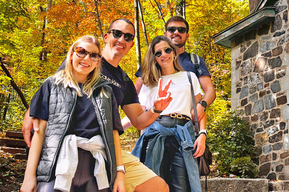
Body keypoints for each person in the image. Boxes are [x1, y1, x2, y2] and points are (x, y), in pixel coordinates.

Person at [22, 19, 170, 192]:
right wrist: (30, 113)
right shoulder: (81, 61)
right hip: (64, 144)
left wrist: (156, 108)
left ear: (131, 44)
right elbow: (53, 97)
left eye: (128, 37)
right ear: (106, 36)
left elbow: (137, 120)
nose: (121, 39)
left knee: (158, 187)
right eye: (117, 33)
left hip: (104, 146)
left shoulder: (123, 82)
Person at [21, 35, 125, 192]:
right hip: (57, 167)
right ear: (71, 54)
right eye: (81, 51)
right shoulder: (52, 85)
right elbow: (39, 132)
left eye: (94, 55)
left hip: (96, 170)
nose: (86, 58)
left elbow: (113, 133)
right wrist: (29, 176)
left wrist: (119, 173)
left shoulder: (106, 91)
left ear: (98, 61)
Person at [131, 36, 206, 192]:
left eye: (167, 50)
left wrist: (203, 134)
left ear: (174, 52)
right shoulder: (149, 81)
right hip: (156, 132)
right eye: (158, 53)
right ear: (154, 58)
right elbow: (138, 115)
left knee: (182, 186)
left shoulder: (188, 76)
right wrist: (116, 128)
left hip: (183, 134)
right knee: (156, 184)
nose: (163, 55)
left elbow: (198, 109)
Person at [134, 16, 215, 121]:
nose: (176, 32)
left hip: (185, 125)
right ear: (165, 34)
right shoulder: (151, 64)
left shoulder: (195, 61)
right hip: (154, 125)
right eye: (172, 29)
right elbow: (135, 93)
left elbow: (210, 91)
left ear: (187, 36)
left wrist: (201, 105)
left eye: (181, 30)